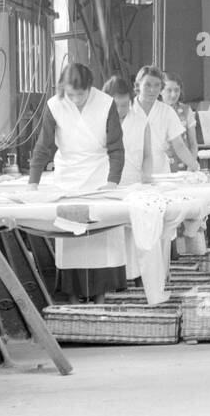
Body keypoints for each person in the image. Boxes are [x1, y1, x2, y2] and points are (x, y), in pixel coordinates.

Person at [28, 62, 127, 302]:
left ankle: (101, 298)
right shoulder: (55, 105)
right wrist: (33, 182)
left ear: (90, 88)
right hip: (68, 177)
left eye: (81, 95)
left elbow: (116, 147)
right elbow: (43, 146)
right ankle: (73, 300)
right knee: (70, 241)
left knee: (99, 239)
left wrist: (113, 181)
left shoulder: (105, 103)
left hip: (99, 177)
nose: (76, 100)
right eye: (71, 95)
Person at [121, 65, 199, 184]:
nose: (152, 90)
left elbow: (179, 146)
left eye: (157, 85)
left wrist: (196, 168)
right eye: (147, 85)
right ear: (138, 85)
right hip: (128, 173)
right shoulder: (127, 109)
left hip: (159, 174)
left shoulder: (167, 111)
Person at [161, 72, 198, 163]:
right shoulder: (154, 111)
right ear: (160, 91)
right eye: (169, 90)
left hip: (184, 167)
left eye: (177, 90)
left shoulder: (186, 111)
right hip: (160, 168)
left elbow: (193, 144)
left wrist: (191, 165)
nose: (173, 95)